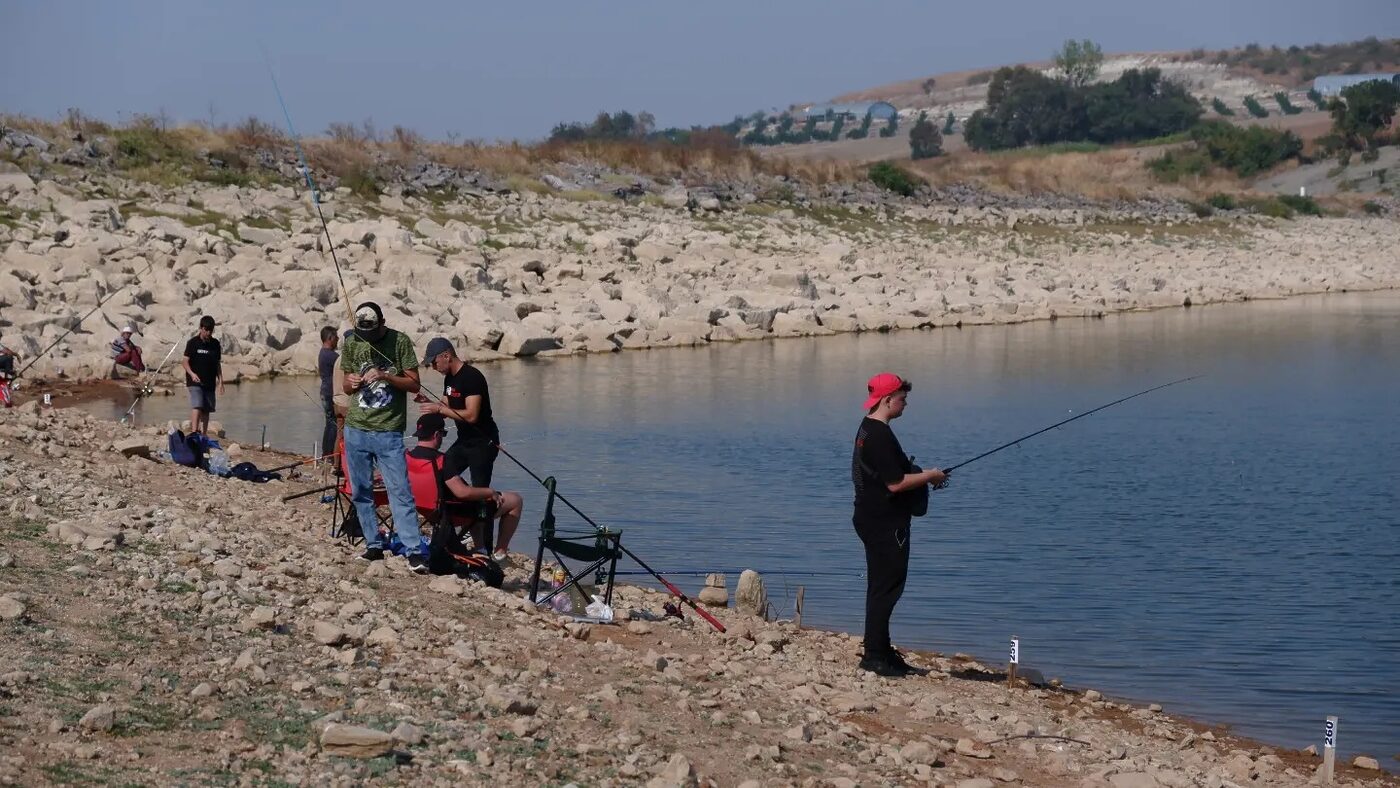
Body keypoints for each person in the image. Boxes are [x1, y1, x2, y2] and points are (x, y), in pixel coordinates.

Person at [851, 372, 947, 678]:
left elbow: (894, 473)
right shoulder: (878, 435)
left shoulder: (869, 428)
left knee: (881, 587)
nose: (905, 404)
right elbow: (895, 483)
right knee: (886, 589)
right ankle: (874, 656)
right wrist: (931, 476)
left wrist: (924, 476)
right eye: (902, 399)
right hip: (884, 523)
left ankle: (881, 649)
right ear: (887, 399)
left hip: (871, 518)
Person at [341, 301, 428, 574]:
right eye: (362, 332)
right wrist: (352, 383)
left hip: (389, 431)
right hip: (356, 428)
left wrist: (387, 376)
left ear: (382, 322)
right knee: (361, 491)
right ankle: (373, 545)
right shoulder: (353, 341)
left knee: (400, 490)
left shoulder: (399, 342)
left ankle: (414, 551)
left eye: (371, 331)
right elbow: (345, 385)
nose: (366, 337)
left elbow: (414, 383)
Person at [419, 336, 520, 558]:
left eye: (434, 362)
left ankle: (486, 548)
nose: (433, 367)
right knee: (443, 475)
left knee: (483, 493)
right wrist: (430, 404)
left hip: (483, 443)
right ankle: (459, 524)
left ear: (446, 355)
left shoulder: (472, 378)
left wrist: (440, 410)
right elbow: (446, 407)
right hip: (463, 441)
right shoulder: (449, 379)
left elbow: (472, 415)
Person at [406, 412, 523, 562]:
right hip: (450, 513)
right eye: (443, 434)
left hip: (425, 509)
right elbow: (461, 492)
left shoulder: (407, 456)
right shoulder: (441, 460)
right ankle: (500, 553)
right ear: (436, 434)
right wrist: (490, 492)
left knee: (474, 498)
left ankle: (480, 547)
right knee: (515, 500)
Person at [181, 316, 223, 435]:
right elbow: (185, 362)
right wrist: (192, 374)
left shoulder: (215, 344)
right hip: (194, 381)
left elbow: (217, 364)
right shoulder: (193, 343)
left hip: (210, 381)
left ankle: (203, 434)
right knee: (198, 405)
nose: (208, 333)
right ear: (201, 328)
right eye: (206, 330)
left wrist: (221, 382)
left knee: (207, 409)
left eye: (211, 330)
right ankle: (194, 432)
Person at [317, 326, 340, 460]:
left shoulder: (323, 353)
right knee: (333, 424)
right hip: (330, 393)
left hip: (325, 391)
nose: (338, 340)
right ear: (330, 338)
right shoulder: (331, 356)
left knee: (330, 423)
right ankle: (330, 455)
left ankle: (326, 454)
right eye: (336, 337)